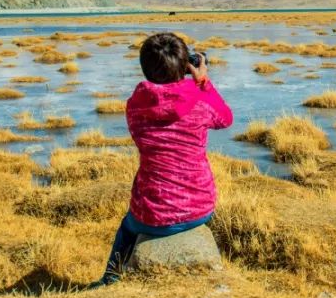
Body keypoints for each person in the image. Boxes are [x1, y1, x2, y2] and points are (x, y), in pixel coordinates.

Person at [96, 32, 233, 285]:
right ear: (186, 66)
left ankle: (110, 279)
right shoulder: (200, 103)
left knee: (126, 228)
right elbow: (226, 119)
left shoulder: (135, 107)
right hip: (199, 207)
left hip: (150, 214)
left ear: (145, 69)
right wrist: (203, 84)